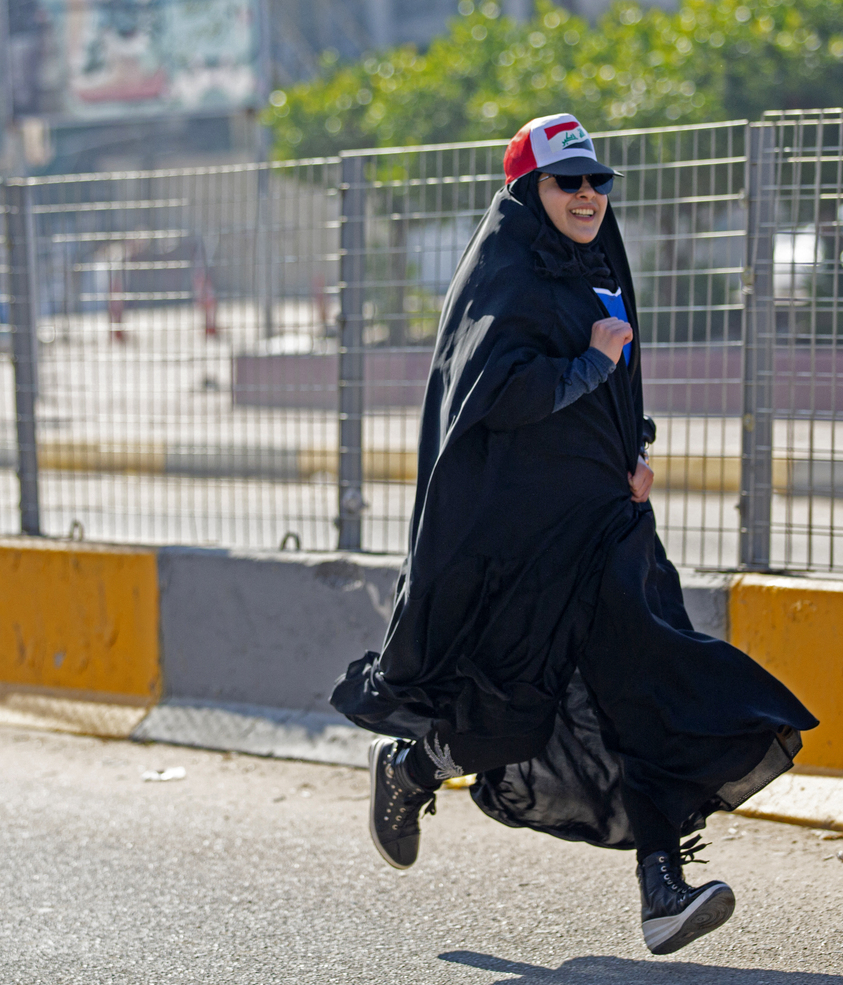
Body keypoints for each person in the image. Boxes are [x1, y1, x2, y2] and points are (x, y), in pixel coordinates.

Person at [330, 114, 818, 956]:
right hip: (522, 538)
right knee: (509, 713)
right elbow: (499, 396)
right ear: (530, 192)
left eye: (596, 182)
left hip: (606, 523)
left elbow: (617, 381)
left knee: (650, 684)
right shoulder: (505, 278)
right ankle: (410, 769)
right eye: (568, 183)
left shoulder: (598, 269)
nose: (588, 196)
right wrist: (590, 363)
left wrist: (633, 450)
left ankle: (663, 891)